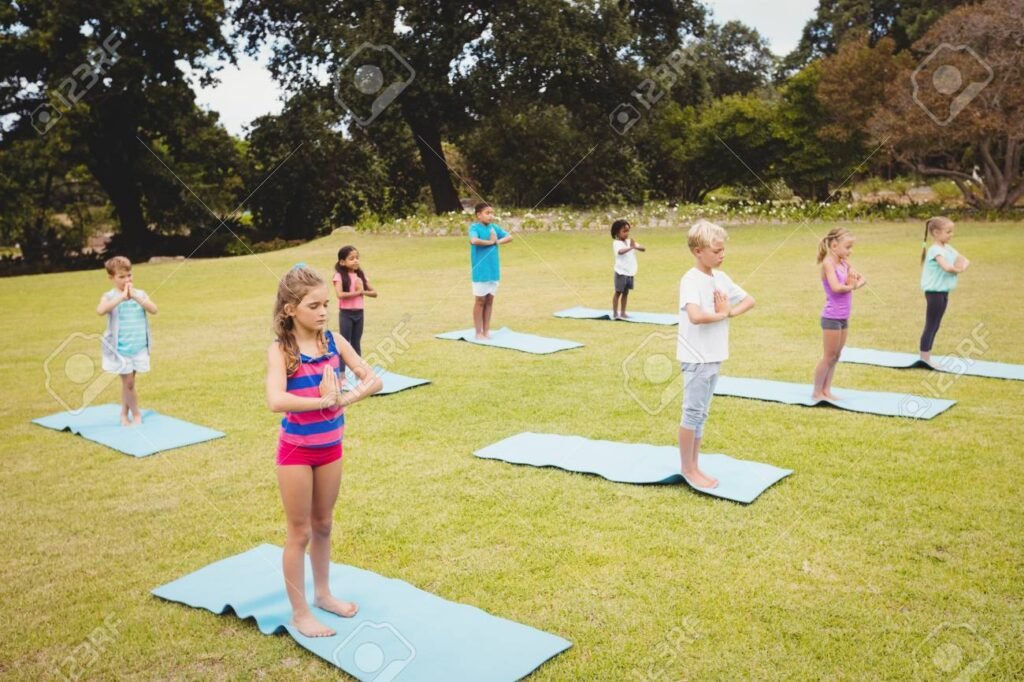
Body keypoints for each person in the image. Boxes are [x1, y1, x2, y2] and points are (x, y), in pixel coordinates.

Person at [265, 265, 382, 638]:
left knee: (324, 525)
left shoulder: (334, 342)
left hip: (331, 448)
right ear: (290, 309)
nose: (322, 312)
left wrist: (343, 398)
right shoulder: (281, 350)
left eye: (326, 304)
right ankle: (300, 613)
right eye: (314, 305)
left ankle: (323, 594)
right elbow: (275, 400)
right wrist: (319, 402)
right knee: (299, 532)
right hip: (296, 454)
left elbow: (374, 379)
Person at [677, 220, 755, 489]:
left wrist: (729, 312)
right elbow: (696, 316)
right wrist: (722, 313)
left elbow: (749, 300)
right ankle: (688, 469)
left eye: (723, 250)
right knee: (692, 413)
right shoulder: (690, 280)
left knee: (702, 414)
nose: (722, 255)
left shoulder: (721, 278)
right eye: (716, 251)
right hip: (696, 357)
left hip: (714, 355)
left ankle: (695, 466)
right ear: (698, 251)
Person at [95, 256, 158, 426]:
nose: (126, 280)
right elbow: (100, 310)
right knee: (128, 383)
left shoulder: (140, 294)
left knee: (129, 384)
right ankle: (136, 414)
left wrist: (135, 296)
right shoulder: (109, 296)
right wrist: (121, 298)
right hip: (120, 349)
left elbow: (154, 309)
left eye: (129, 275)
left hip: (138, 347)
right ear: (111, 278)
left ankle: (123, 413)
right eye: (121, 277)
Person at [811, 227, 866, 400]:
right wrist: (852, 285)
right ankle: (816, 392)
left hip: (843, 317)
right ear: (834, 246)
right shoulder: (829, 264)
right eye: (848, 247)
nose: (850, 251)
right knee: (828, 356)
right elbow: (836, 288)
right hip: (831, 317)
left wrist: (854, 283)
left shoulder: (844, 263)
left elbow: (862, 279)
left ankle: (827, 390)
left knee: (837, 356)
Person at [919, 216, 969, 362]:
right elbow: (947, 267)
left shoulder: (947, 248)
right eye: (948, 232)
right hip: (934, 293)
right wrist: (958, 269)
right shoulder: (935, 250)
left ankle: (927, 356)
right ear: (935, 232)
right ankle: (925, 358)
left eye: (952, 231)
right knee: (931, 324)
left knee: (936, 324)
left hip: (943, 292)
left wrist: (961, 266)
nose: (951, 235)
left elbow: (964, 260)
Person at [468, 202, 512, 339]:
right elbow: (474, 241)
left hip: (493, 270)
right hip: (481, 271)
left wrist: (497, 242)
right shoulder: (474, 227)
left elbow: (510, 237)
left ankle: (487, 331)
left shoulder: (494, 228)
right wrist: (491, 242)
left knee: (489, 300)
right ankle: (478, 332)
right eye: (487, 213)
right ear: (478, 215)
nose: (491, 216)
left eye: (492, 213)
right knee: (480, 300)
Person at [332, 245, 377, 356]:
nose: (355, 261)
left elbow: (375, 293)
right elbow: (339, 294)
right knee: (345, 343)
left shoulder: (360, 276)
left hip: (359, 313)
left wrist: (362, 291)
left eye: (357, 258)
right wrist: (357, 292)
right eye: (351, 259)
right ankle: (342, 372)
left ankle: (359, 371)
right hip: (346, 314)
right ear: (342, 262)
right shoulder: (339, 276)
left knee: (356, 343)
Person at [611, 219, 646, 319]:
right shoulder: (616, 243)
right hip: (620, 272)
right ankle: (614, 313)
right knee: (618, 292)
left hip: (630, 272)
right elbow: (621, 251)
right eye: (624, 231)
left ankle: (623, 312)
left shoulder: (629, 242)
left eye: (628, 231)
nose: (627, 233)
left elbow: (643, 249)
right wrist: (631, 248)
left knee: (626, 293)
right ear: (617, 232)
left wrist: (635, 246)